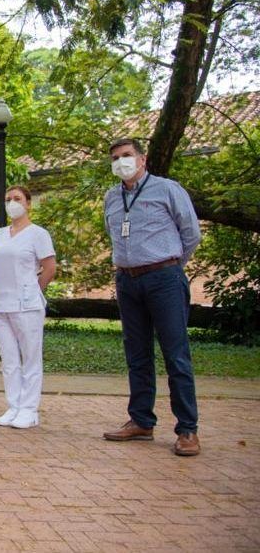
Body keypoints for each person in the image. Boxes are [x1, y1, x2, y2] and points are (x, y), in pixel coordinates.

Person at [102, 139, 202, 456]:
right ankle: (141, 420)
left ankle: (187, 429)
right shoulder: (111, 198)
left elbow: (191, 234)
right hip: (127, 280)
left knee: (176, 354)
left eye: (127, 156)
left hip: (164, 278)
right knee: (137, 354)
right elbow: (114, 234)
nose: (122, 162)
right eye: (116, 158)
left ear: (142, 160)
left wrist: (168, 265)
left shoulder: (167, 189)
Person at [0, 186, 56, 429]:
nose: (12, 203)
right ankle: (14, 405)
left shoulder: (38, 234)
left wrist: (33, 290)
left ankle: (29, 409)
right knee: (8, 358)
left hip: (27, 305)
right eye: (8, 199)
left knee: (30, 357)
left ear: (28, 203)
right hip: (1, 303)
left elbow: (49, 268)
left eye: (17, 199)